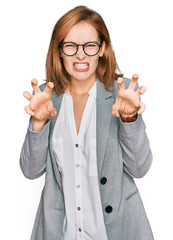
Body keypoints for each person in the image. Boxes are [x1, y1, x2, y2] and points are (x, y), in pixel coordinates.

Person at [20, 5, 154, 240]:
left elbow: (139, 169)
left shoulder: (121, 94)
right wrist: (37, 123)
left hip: (119, 230)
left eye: (90, 46)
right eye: (70, 46)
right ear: (59, 50)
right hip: (61, 233)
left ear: (103, 49)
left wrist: (129, 119)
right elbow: (31, 171)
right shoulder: (45, 97)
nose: (80, 55)